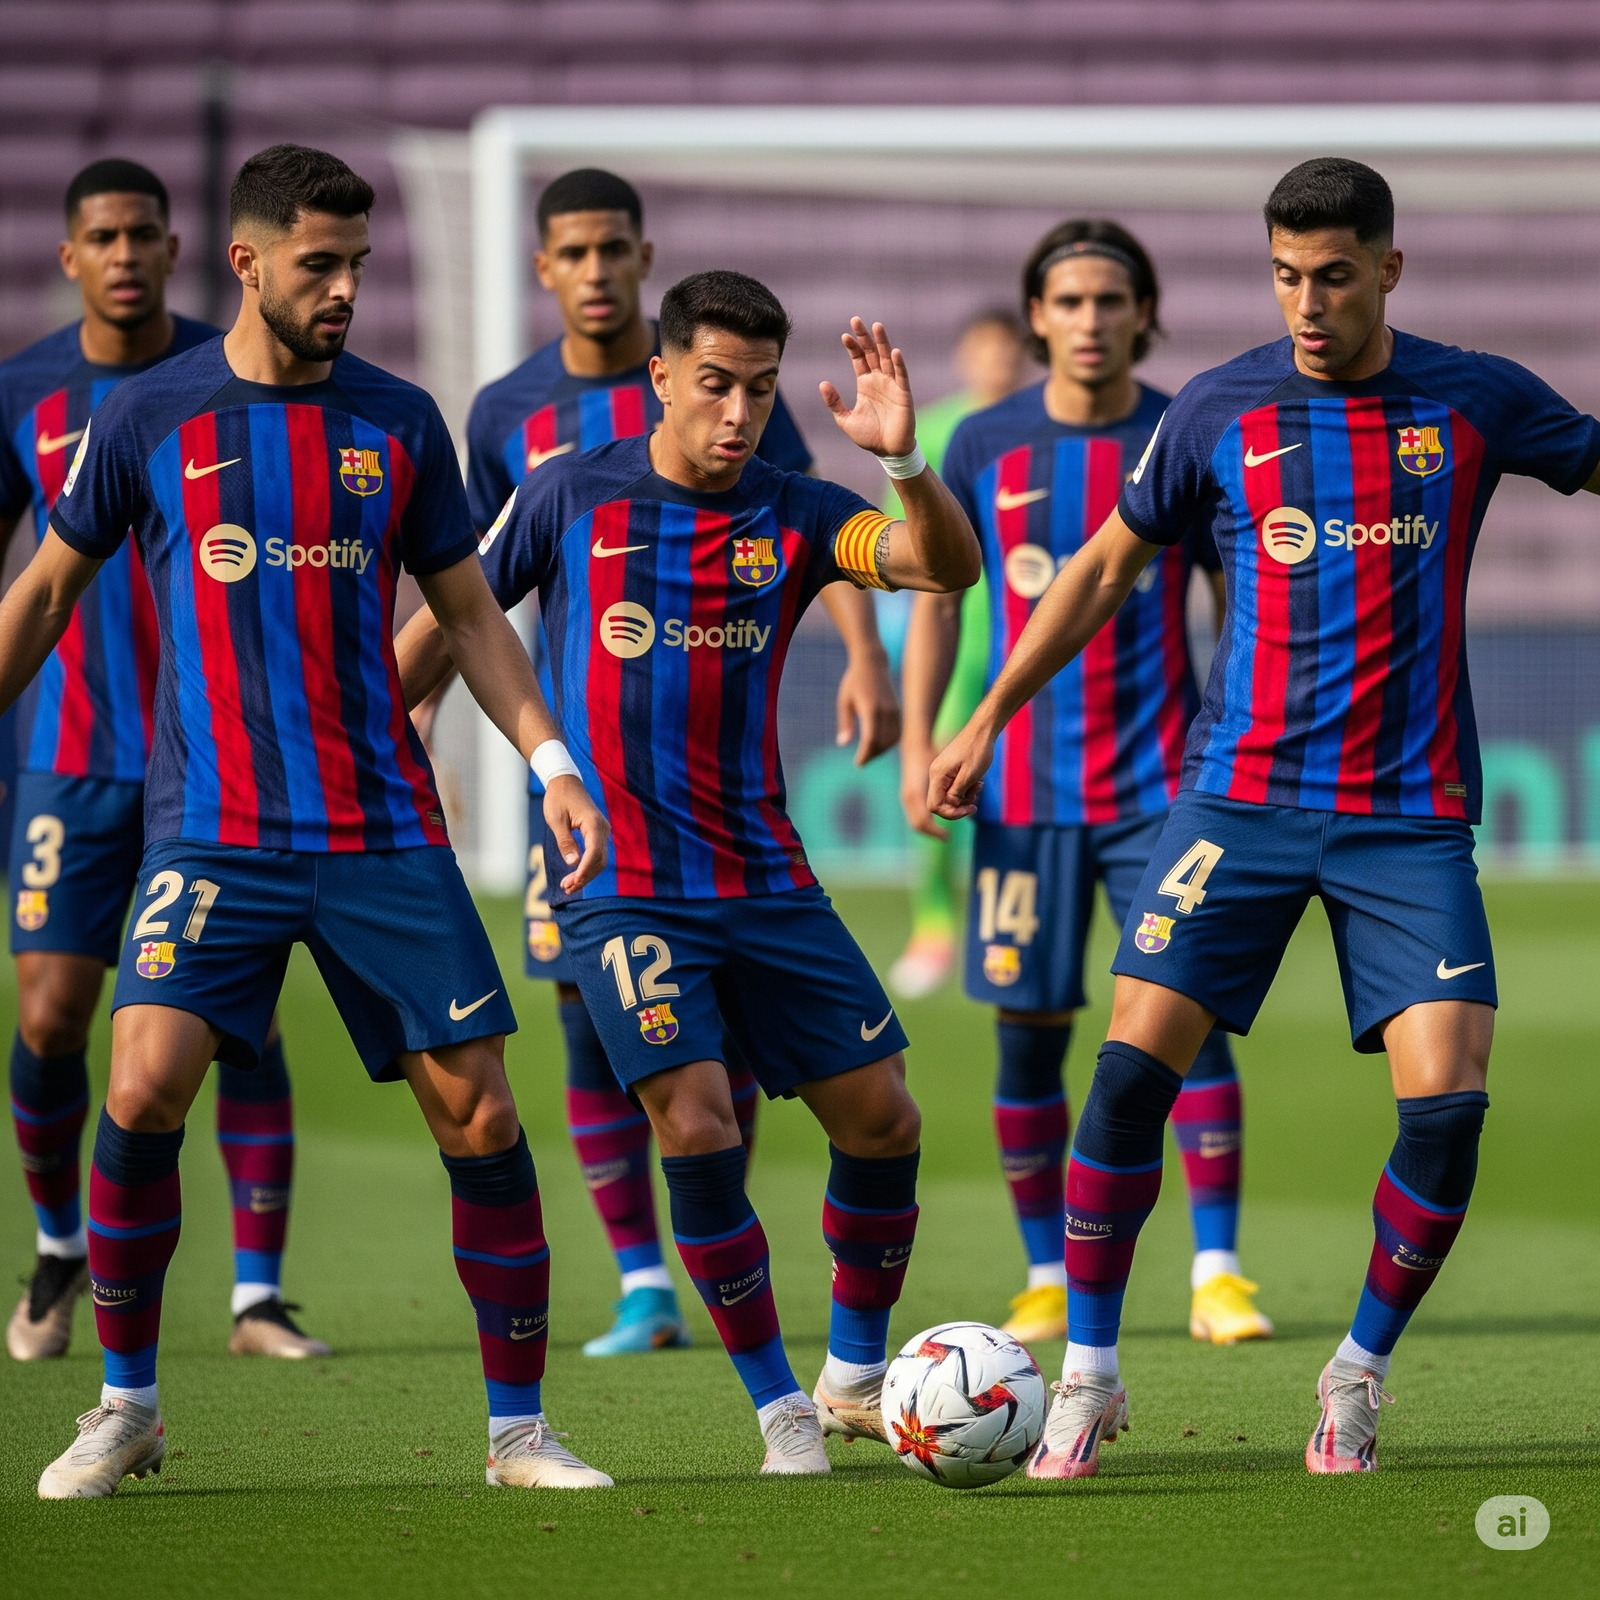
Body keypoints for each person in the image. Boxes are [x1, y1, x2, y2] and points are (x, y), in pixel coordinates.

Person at [932, 158, 1600, 1477]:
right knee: (1128, 1074)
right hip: (1234, 801)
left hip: (1406, 817)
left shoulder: (1471, 399)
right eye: (1287, 275)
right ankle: (1090, 1375)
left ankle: (1357, 1371)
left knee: (1447, 1109)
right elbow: (1101, 571)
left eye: (1334, 275)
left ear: (1388, 269)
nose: (1307, 302)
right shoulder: (1218, 409)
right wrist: (987, 714)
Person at [6, 144, 614, 1498]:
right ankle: (126, 1407)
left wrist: (552, 761)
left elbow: (471, 616)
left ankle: (519, 1433)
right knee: (139, 1085)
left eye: (358, 266)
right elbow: (44, 592)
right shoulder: (150, 416)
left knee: (480, 1116)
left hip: (380, 829)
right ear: (246, 263)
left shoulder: (398, 420)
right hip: (214, 830)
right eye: (319, 265)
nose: (345, 289)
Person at [398, 272, 980, 1474]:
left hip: (765, 876)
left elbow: (945, 569)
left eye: (759, 390)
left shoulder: (797, 509)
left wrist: (904, 461)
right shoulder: (569, 494)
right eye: (715, 384)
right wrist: (386, 738)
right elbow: (449, 625)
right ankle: (778, 1410)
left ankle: (851, 1377)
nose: (738, 413)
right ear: (660, 377)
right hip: (621, 881)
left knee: (884, 1122)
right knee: (698, 1117)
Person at [462, 167, 899, 1358]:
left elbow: (837, 532)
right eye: (574, 250)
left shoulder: (764, 449)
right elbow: (464, 600)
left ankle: (750, 1287)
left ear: (641, 256)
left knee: (769, 1071)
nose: (740, 408)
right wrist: (452, 735)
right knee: (598, 1027)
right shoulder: (520, 432)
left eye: (613, 246)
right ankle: (649, 1281)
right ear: (546, 268)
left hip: (745, 844)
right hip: (592, 809)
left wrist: (865, 649)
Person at [901, 222, 1269, 1351]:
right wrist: (921, 740)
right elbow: (941, 599)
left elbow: (1235, 600)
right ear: (1037, 317)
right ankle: (1044, 1275)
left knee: (1187, 1025)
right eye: (1068, 300)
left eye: (1112, 299)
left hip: (1165, 790)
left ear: (1144, 313)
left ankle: (1217, 1272)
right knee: (1028, 1035)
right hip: (1020, 794)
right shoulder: (983, 442)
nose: (1091, 320)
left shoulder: (1186, 429)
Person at [0, 160, 323, 1364]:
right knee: (51, 1014)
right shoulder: (24, 392)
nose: (126, 254)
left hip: (220, 761)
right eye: (104, 236)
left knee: (241, 1017)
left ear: (178, 248)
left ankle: (256, 1295)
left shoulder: (231, 372)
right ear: (70, 255)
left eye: (144, 233)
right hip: (72, 755)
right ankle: (58, 1249)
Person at [884, 308, 1028, 1001]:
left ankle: (1014, 926)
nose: (998, 360)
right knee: (937, 774)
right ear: (966, 356)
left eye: (1008, 348)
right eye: (985, 348)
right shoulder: (934, 431)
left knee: (1024, 791)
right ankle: (935, 926)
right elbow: (904, 544)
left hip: (1029, 636)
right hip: (957, 633)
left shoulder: (1042, 428)